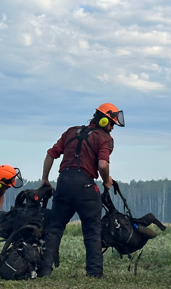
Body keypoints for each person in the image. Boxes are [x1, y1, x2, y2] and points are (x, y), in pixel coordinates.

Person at [38, 103, 124, 278]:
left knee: (54, 228)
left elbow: (50, 154)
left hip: (63, 183)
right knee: (92, 230)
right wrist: (107, 180)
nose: (113, 128)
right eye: (112, 124)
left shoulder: (71, 131)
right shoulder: (105, 139)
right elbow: (102, 164)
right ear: (103, 121)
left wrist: (45, 178)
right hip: (85, 186)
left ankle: (44, 271)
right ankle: (94, 273)